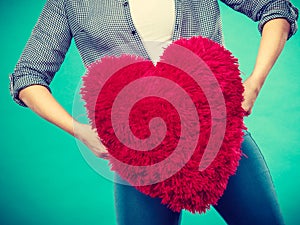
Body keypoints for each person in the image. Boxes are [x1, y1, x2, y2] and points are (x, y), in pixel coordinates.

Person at [9, 0, 298, 224]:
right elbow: (27, 76)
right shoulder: (70, 3)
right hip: (139, 157)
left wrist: (255, 83)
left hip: (219, 139)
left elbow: (275, 8)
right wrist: (81, 131)